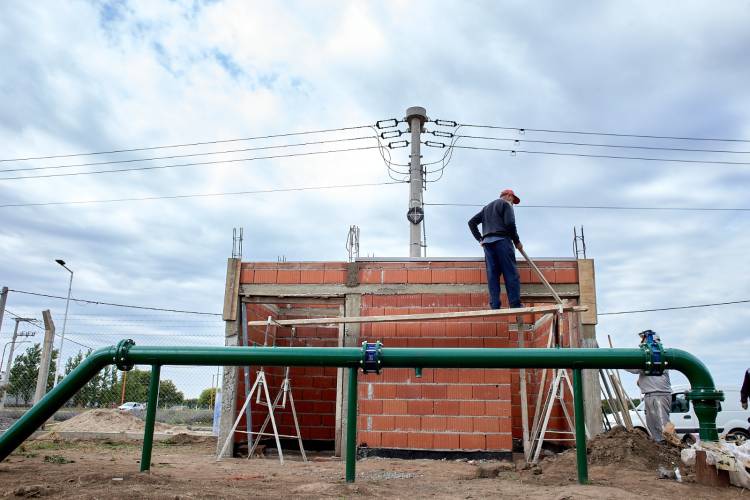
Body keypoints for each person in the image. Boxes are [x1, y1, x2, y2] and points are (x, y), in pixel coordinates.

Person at [468, 189, 523, 309]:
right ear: (509, 196)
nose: (513, 203)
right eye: (513, 200)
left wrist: (480, 239)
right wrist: (517, 241)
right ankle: (515, 304)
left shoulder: (486, 208)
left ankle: (495, 305)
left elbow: (471, 222)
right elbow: (510, 224)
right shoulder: (506, 204)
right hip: (502, 241)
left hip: (488, 244)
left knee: (492, 274)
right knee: (510, 273)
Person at [625, 330, 672, 443]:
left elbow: (636, 368)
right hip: (650, 394)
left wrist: (620, 362)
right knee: (652, 424)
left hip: (659, 394)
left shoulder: (657, 355)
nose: (642, 342)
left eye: (643, 339)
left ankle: (668, 445)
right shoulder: (651, 355)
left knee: (662, 423)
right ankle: (659, 444)